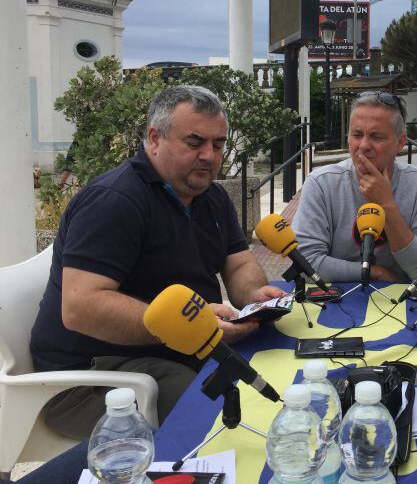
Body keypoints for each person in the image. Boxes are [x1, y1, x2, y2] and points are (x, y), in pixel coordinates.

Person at [30, 86, 285, 439]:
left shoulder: (210, 195)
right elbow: (80, 307)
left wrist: (255, 295)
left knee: (278, 357)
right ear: (154, 139)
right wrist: (186, 326)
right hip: (86, 379)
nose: (210, 156)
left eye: (218, 144)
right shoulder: (114, 201)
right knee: (217, 412)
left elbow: (240, 264)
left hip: (176, 348)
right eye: (194, 142)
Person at [293, 91, 417, 283]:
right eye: (357, 134)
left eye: (376, 136)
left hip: (403, 304)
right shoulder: (322, 183)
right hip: (336, 301)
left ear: (400, 143)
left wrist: (387, 205)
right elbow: (306, 264)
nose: (363, 145)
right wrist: (373, 273)